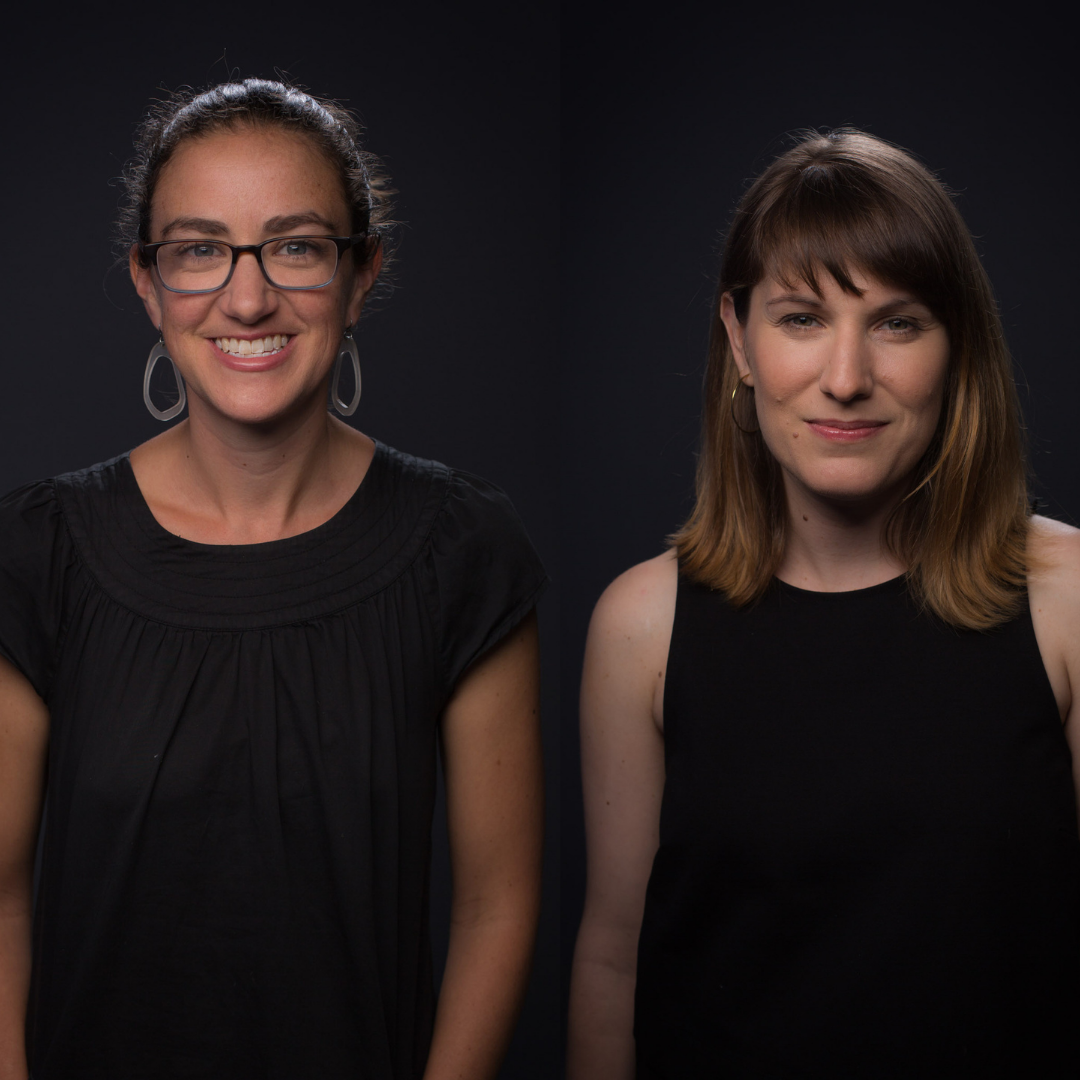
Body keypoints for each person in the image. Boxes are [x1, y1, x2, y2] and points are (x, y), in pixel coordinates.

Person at [0, 79, 546, 1080]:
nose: (247, 298)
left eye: (295, 246)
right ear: (146, 281)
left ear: (361, 270)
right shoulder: (39, 553)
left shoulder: (461, 547)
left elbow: (496, 903)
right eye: (199, 250)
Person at [567, 129, 1080, 1077]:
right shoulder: (640, 627)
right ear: (739, 337)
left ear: (955, 343)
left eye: (897, 322)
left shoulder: (1068, 601)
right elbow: (612, 956)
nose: (846, 378)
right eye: (802, 318)